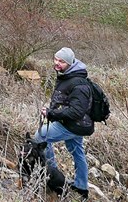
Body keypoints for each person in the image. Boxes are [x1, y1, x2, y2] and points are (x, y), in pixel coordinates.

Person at [33, 47, 93, 199]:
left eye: (61, 61)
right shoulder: (69, 75)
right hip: (79, 125)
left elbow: (76, 112)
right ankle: (81, 186)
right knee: (77, 152)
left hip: (74, 125)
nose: (57, 63)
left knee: (41, 136)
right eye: (56, 59)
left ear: (70, 63)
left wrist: (52, 113)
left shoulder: (78, 83)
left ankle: (51, 174)